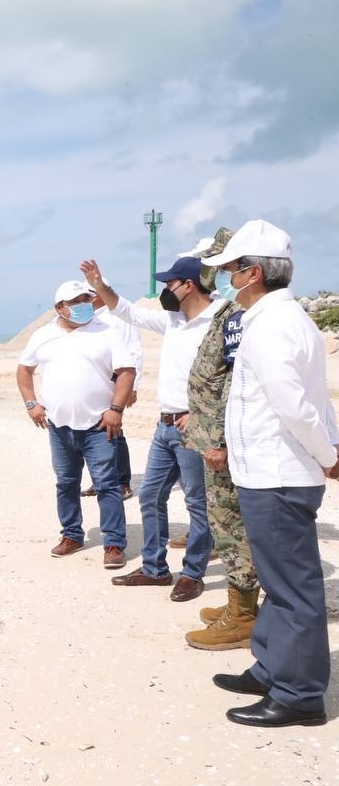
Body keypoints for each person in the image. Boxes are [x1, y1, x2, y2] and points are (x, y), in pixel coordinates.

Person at [200, 219, 339, 728]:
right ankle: (272, 667)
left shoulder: (273, 324)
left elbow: (295, 406)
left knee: (292, 587)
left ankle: (300, 695)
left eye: (231, 270)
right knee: (279, 581)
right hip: (267, 471)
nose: (227, 280)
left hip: (278, 473)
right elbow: (314, 396)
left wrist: (328, 455)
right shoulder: (279, 319)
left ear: (253, 272)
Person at [80, 255, 218, 602]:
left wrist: (202, 415)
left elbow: (229, 377)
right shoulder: (174, 320)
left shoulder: (219, 320)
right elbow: (127, 311)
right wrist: (100, 286)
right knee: (150, 495)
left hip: (194, 426)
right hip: (165, 426)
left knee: (197, 504)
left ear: (189, 285)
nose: (165, 290)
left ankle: (192, 573)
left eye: (170, 284)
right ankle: (155, 569)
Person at [17, 280, 136, 568]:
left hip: (100, 426)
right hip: (59, 427)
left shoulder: (106, 331)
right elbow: (24, 369)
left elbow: (126, 372)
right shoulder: (43, 335)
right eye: (77, 300)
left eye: (87, 298)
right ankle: (72, 535)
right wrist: (32, 404)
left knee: (107, 485)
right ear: (60, 307)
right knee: (66, 483)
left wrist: (115, 410)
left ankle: (114, 543)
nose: (85, 304)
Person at [182, 229, 258, 650]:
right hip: (213, 437)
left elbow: (234, 383)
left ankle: (243, 615)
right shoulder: (232, 309)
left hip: (223, 445)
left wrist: (221, 442)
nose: (212, 272)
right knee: (223, 521)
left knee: (230, 527)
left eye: (222, 266)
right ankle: (241, 603)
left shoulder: (241, 315)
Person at [80, 284, 140, 501]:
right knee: (94, 429)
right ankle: (101, 480)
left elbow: (135, 350)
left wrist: (133, 386)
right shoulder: (87, 319)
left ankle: (123, 482)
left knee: (115, 429)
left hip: (118, 380)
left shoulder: (119, 318)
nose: (85, 301)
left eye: (88, 296)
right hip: (97, 380)